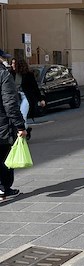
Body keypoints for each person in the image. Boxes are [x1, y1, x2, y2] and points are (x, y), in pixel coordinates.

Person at [0, 57, 28, 198]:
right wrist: (20, 126)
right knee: (5, 157)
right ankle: (3, 187)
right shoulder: (3, 75)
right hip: (2, 126)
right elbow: (10, 104)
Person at [10, 58, 45, 140]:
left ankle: (21, 134)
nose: (12, 65)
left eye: (14, 63)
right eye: (11, 63)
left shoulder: (28, 74)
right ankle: (26, 129)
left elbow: (35, 87)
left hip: (25, 97)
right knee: (14, 116)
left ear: (19, 65)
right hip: (15, 97)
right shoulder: (10, 74)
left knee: (22, 115)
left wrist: (40, 99)